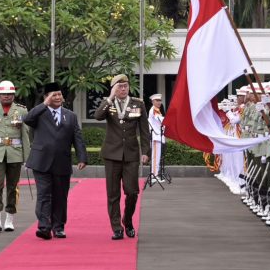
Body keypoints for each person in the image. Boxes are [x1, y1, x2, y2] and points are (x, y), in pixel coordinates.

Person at [23, 82, 88, 240]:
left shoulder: (70, 116)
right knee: (44, 195)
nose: (58, 97)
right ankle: (44, 227)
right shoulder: (39, 113)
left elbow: (77, 138)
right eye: (54, 95)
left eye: (59, 94)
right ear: (46, 97)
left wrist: (82, 157)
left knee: (60, 196)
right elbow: (27, 118)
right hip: (41, 161)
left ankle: (58, 227)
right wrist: (44, 104)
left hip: (62, 162)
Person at [94, 74, 150, 240]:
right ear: (114, 89)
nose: (123, 89)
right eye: (119, 86)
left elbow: (144, 130)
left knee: (132, 191)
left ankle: (128, 219)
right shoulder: (108, 103)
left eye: (125, 86)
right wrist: (110, 98)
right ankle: (117, 227)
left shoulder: (138, 104)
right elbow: (98, 116)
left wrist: (145, 151)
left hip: (131, 154)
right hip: (111, 154)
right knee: (113, 194)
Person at [0, 80, 30, 233]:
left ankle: (9, 219)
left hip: (15, 152)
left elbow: (25, 134)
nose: (7, 96)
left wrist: (27, 158)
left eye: (9, 94)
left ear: (14, 95)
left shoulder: (21, 111)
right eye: (4, 94)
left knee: (12, 187)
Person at [147, 93, 165, 181]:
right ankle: (153, 176)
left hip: (158, 136)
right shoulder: (154, 109)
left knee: (157, 157)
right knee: (155, 157)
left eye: (160, 100)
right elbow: (161, 120)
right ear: (153, 101)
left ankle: (155, 175)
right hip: (155, 136)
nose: (159, 102)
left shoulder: (157, 110)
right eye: (157, 100)